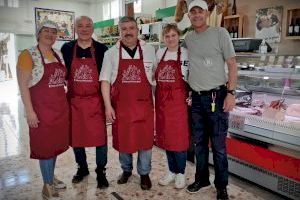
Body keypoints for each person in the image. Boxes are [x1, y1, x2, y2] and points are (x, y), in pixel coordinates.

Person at [184, 0, 237, 200]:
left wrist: (231, 93)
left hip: (217, 96)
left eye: (200, 12)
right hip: (196, 99)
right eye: (193, 13)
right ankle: (202, 178)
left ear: (206, 13)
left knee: (219, 147)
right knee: (199, 144)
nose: (196, 15)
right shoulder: (188, 38)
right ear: (189, 16)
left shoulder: (220, 33)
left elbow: (232, 64)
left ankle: (221, 186)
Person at [100, 16, 156, 190]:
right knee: (124, 141)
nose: (128, 32)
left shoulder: (149, 51)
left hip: (144, 106)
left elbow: (156, 76)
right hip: (122, 107)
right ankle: (126, 170)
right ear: (120, 31)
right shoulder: (110, 53)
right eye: (124, 29)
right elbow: (105, 82)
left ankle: (144, 173)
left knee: (145, 142)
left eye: (131, 28)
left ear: (137, 30)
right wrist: (108, 106)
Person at [17, 20, 69, 199]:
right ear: (38, 34)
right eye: (46, 31)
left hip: (59, 110)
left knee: (54, 147)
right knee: (45, 148)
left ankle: (50, 177)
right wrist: (29, 111)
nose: (50, 34)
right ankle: (46, 186)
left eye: (53, 32)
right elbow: (23, 86)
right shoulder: (28, 55)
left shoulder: (58, 55)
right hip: (41, 112)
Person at [61, 16, 109, 189]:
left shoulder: (102, 49)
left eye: (88, 25)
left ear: (93, 28)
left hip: (96, 101)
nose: (84, 29)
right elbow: (62, 75)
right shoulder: (66, 48)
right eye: (80, 26)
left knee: (101, 139)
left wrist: (108, 103)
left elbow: (106, 79)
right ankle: (82, 168)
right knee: (77, 138)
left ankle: (101, 171)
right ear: (75, 28)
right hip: (74, 102)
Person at [155, 24, 190, 189]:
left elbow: (192, 77)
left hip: (179, 104)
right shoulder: (159, 53)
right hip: (162, 104)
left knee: (179, 140)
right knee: (166, 139)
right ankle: (171, 171)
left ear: (179, 36)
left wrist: (191, 96)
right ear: (163, 38)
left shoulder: (186, 54)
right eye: (167, 36)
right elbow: (155, 75)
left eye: (173, 35)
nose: (170, 39)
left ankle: (181, 173)